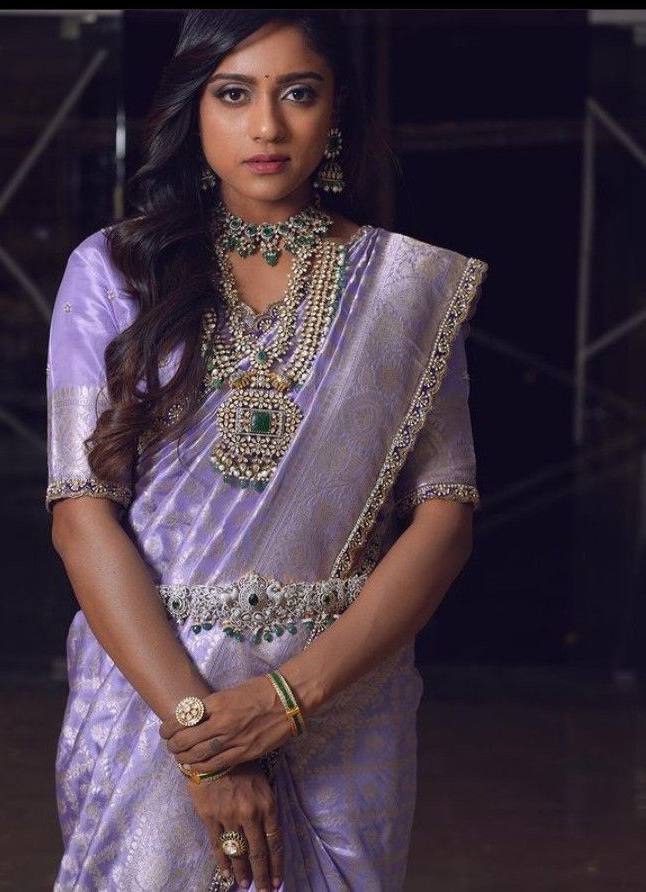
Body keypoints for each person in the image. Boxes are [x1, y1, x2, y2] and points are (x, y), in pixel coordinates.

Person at [45, 9, 487, 892]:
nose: (267, 126)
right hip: (155, 700)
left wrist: (289, 699)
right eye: (234, 94)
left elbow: (446, 514)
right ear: (194, 109)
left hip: (344, 698)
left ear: (336, 113)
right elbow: (79, 512)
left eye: (299, 93)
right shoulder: (116, 271)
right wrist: (205, 739)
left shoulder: (406, 290)